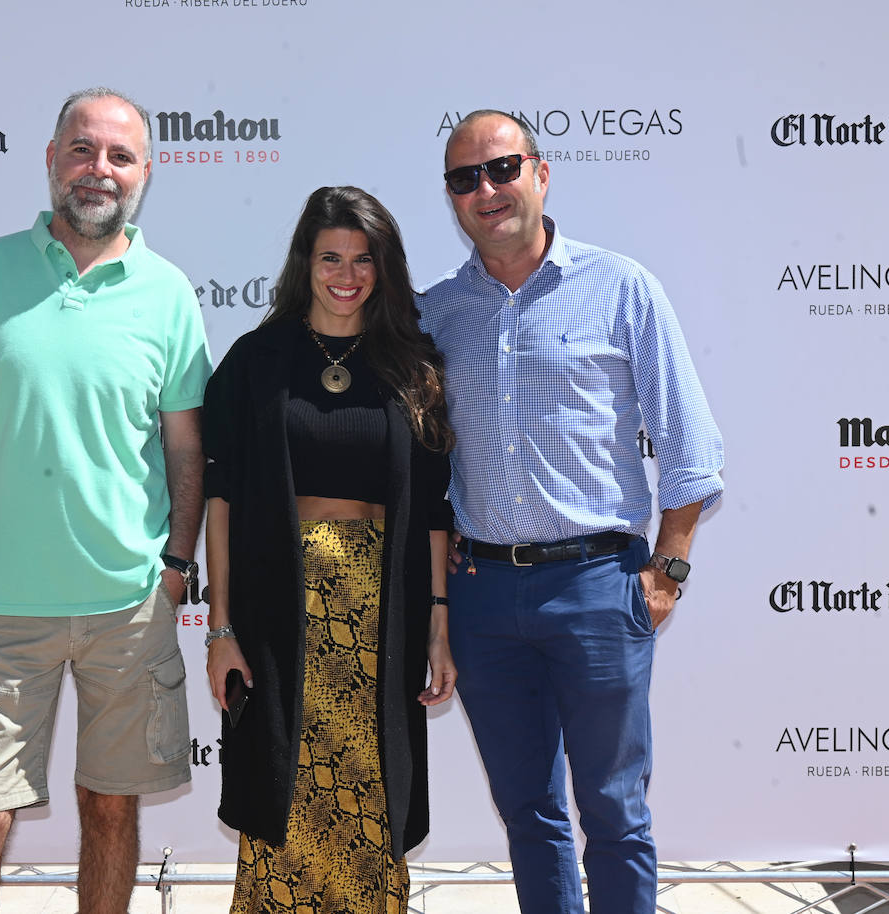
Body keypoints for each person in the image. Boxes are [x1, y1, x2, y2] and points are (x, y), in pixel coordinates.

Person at [0, 87, 212, 914]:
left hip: (130, 609)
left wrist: (177, 567)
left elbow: (188, 447)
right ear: (51, 160)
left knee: (110, 811)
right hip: (6, 611)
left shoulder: (169, 294)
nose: (98, 170)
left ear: (145, 172)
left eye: (118, 156)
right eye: (82, 150)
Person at [418, 110, 724, 914]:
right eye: (464, 178)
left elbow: (690, 446)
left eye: (501, 169)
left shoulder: (622, 286)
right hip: (484, 593)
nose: (486, 190)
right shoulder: (434, 316)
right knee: (530, 814)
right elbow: (418, 464)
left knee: (615, 813)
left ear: (541, 173)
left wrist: (670, 571)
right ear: (451, 199)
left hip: (601, 586)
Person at [202, 185, 456, 913]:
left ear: (384, 268)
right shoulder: (257, 361)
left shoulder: (413, 365)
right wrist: (220, 629)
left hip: (383, 615)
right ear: (303, 263)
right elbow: (220, 500)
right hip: (280, 608)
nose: (346, 275)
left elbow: (435, 508)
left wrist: (439, 623)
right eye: (330, 257)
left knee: (371, 794)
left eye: (363, 259)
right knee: (284, 792)